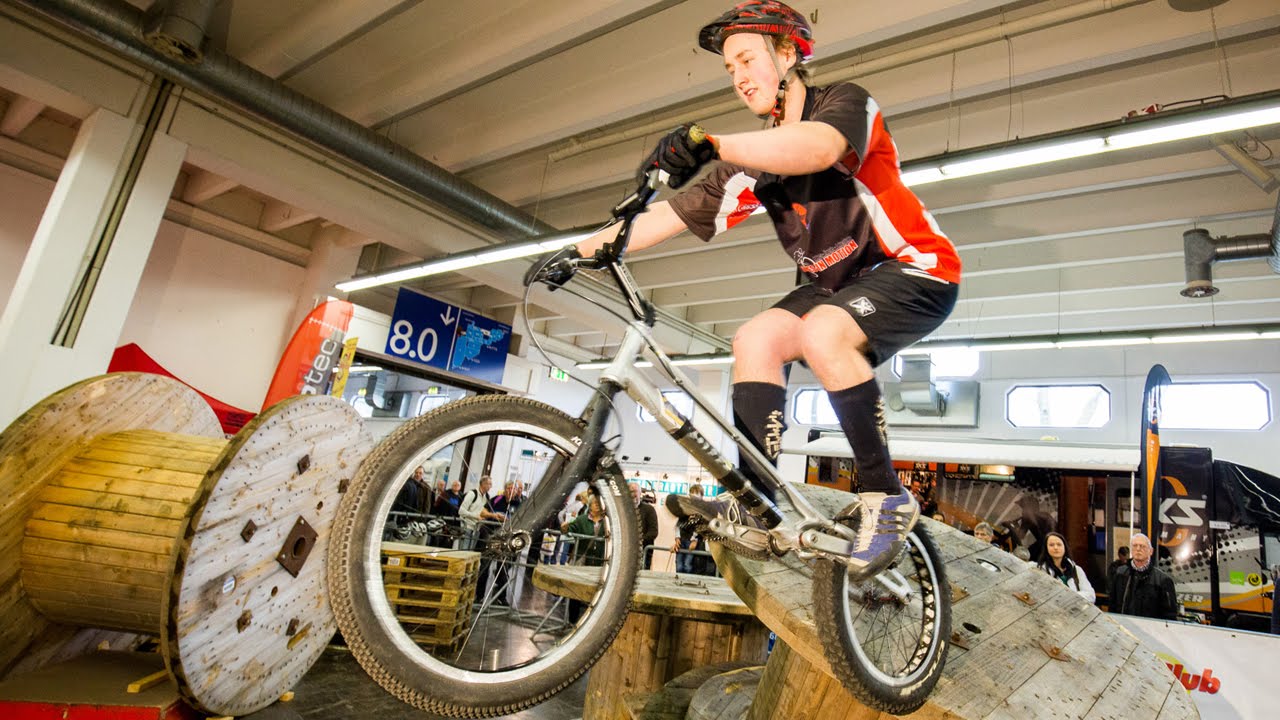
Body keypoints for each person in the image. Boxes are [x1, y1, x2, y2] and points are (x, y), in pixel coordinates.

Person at [527, 1, 960, 576]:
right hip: (830, 283)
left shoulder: (845, 102)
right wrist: (577, 250)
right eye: (730, 69)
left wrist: (713, 141)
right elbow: (675, 214)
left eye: (748, 59)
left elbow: (820, 147)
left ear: (788, 54)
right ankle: (756, 501)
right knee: (754, 338)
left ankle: (885, 496)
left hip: (913, 266)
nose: (739, 77)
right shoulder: (752, 165)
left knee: (824, 331)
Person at [1111, 533, 1178, 620]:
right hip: (1123, 627)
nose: (1138, 549)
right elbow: (1112, 604)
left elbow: (1170, 616)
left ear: (1151, 551)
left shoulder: (1163, 580)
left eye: (1142, 546)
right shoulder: (1120, 573)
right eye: (1135, 546)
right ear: (1131, 550)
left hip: (1150, 630)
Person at [1037, 532, 1096, 603]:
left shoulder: (1076, 570)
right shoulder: (1040, 570)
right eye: (1051, 545)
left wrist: (1069, 597)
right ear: (1046, 548)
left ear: (1064, 547)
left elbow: (1091, 595)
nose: (1056, 547)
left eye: (1059, 544)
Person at [630, 481, 660, 570]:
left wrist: (639, 540)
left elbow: (654, 532)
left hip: (643, 552)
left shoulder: (649, 510)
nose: (633, 494)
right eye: (630, 492)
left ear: (640, 493)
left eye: (635, 491)